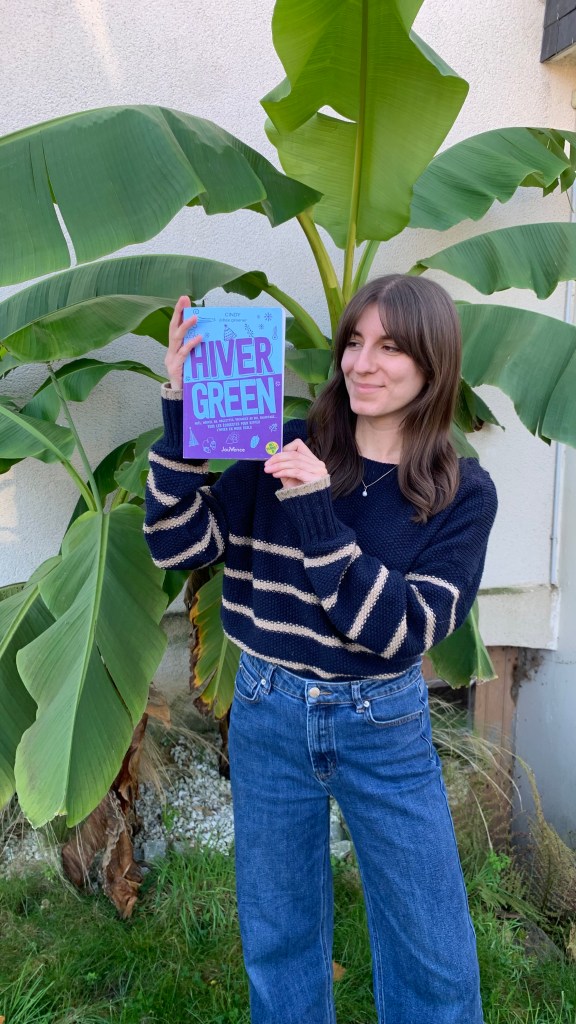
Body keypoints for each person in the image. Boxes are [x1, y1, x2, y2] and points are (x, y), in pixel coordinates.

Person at [144, 274, 498, 1024]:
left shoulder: (460, 492)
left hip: (383, 724)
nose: (363, 364)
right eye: (354, 343)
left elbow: (398, 630)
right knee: (278, 933)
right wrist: (181, 410)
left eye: (391, 348)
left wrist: (314, 509)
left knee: (431, 943)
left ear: (433, 366)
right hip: (269, 710)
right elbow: (179, 543)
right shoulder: (289, 445)